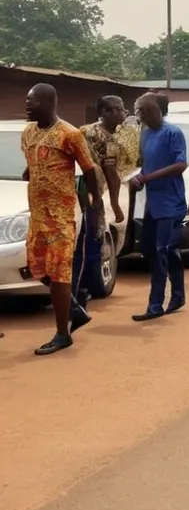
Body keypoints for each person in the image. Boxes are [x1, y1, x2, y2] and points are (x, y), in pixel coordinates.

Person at [21, 84, 103, 355]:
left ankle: (62, 334)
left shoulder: (70, 134)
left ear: (47, 102)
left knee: (58, 273)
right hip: (38, 215)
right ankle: (75, 309)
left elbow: (89, 169)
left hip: (61, 217)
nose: (27, 105)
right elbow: (32, 162)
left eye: (31, 101)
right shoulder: (28, 133)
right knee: (36, 268)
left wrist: (95, 203)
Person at [130, 96, 188, 321]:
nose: (141, 114)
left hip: (170, 203)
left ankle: (155, 306)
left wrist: (147, 178)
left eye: (145, 110)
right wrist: (138, 177)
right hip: (152, 204)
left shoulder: (173, 133)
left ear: (158, 112)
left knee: (159, 251)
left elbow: (181, 164)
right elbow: (146, 165)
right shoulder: (145, 135)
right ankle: (178, 294)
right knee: (158, 249)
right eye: (139, 110)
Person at [76, 96, 130, 308]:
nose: (122, 113)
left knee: (86, 239)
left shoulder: (85, 130)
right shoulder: (103, 137)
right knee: (92, 239)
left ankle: (80, 287)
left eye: (122, 108)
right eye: (116, 109)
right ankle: (83, 288)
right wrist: (114, 204)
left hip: (83, 192)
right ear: (104, 113)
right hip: (89, 194)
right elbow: (110, 174)